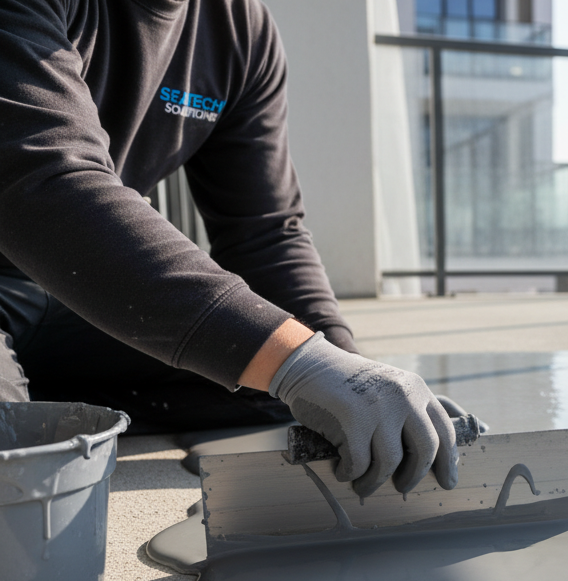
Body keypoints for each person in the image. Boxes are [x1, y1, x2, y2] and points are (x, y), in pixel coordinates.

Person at [0, 0, 457, 497]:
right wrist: (298, 362)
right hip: (37, 248)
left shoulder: (240, 27)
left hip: (92, 290)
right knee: (12, 454)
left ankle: (43, 394)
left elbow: (263, 231)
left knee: (274, 387)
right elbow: (44, 182)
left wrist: (347, 375)